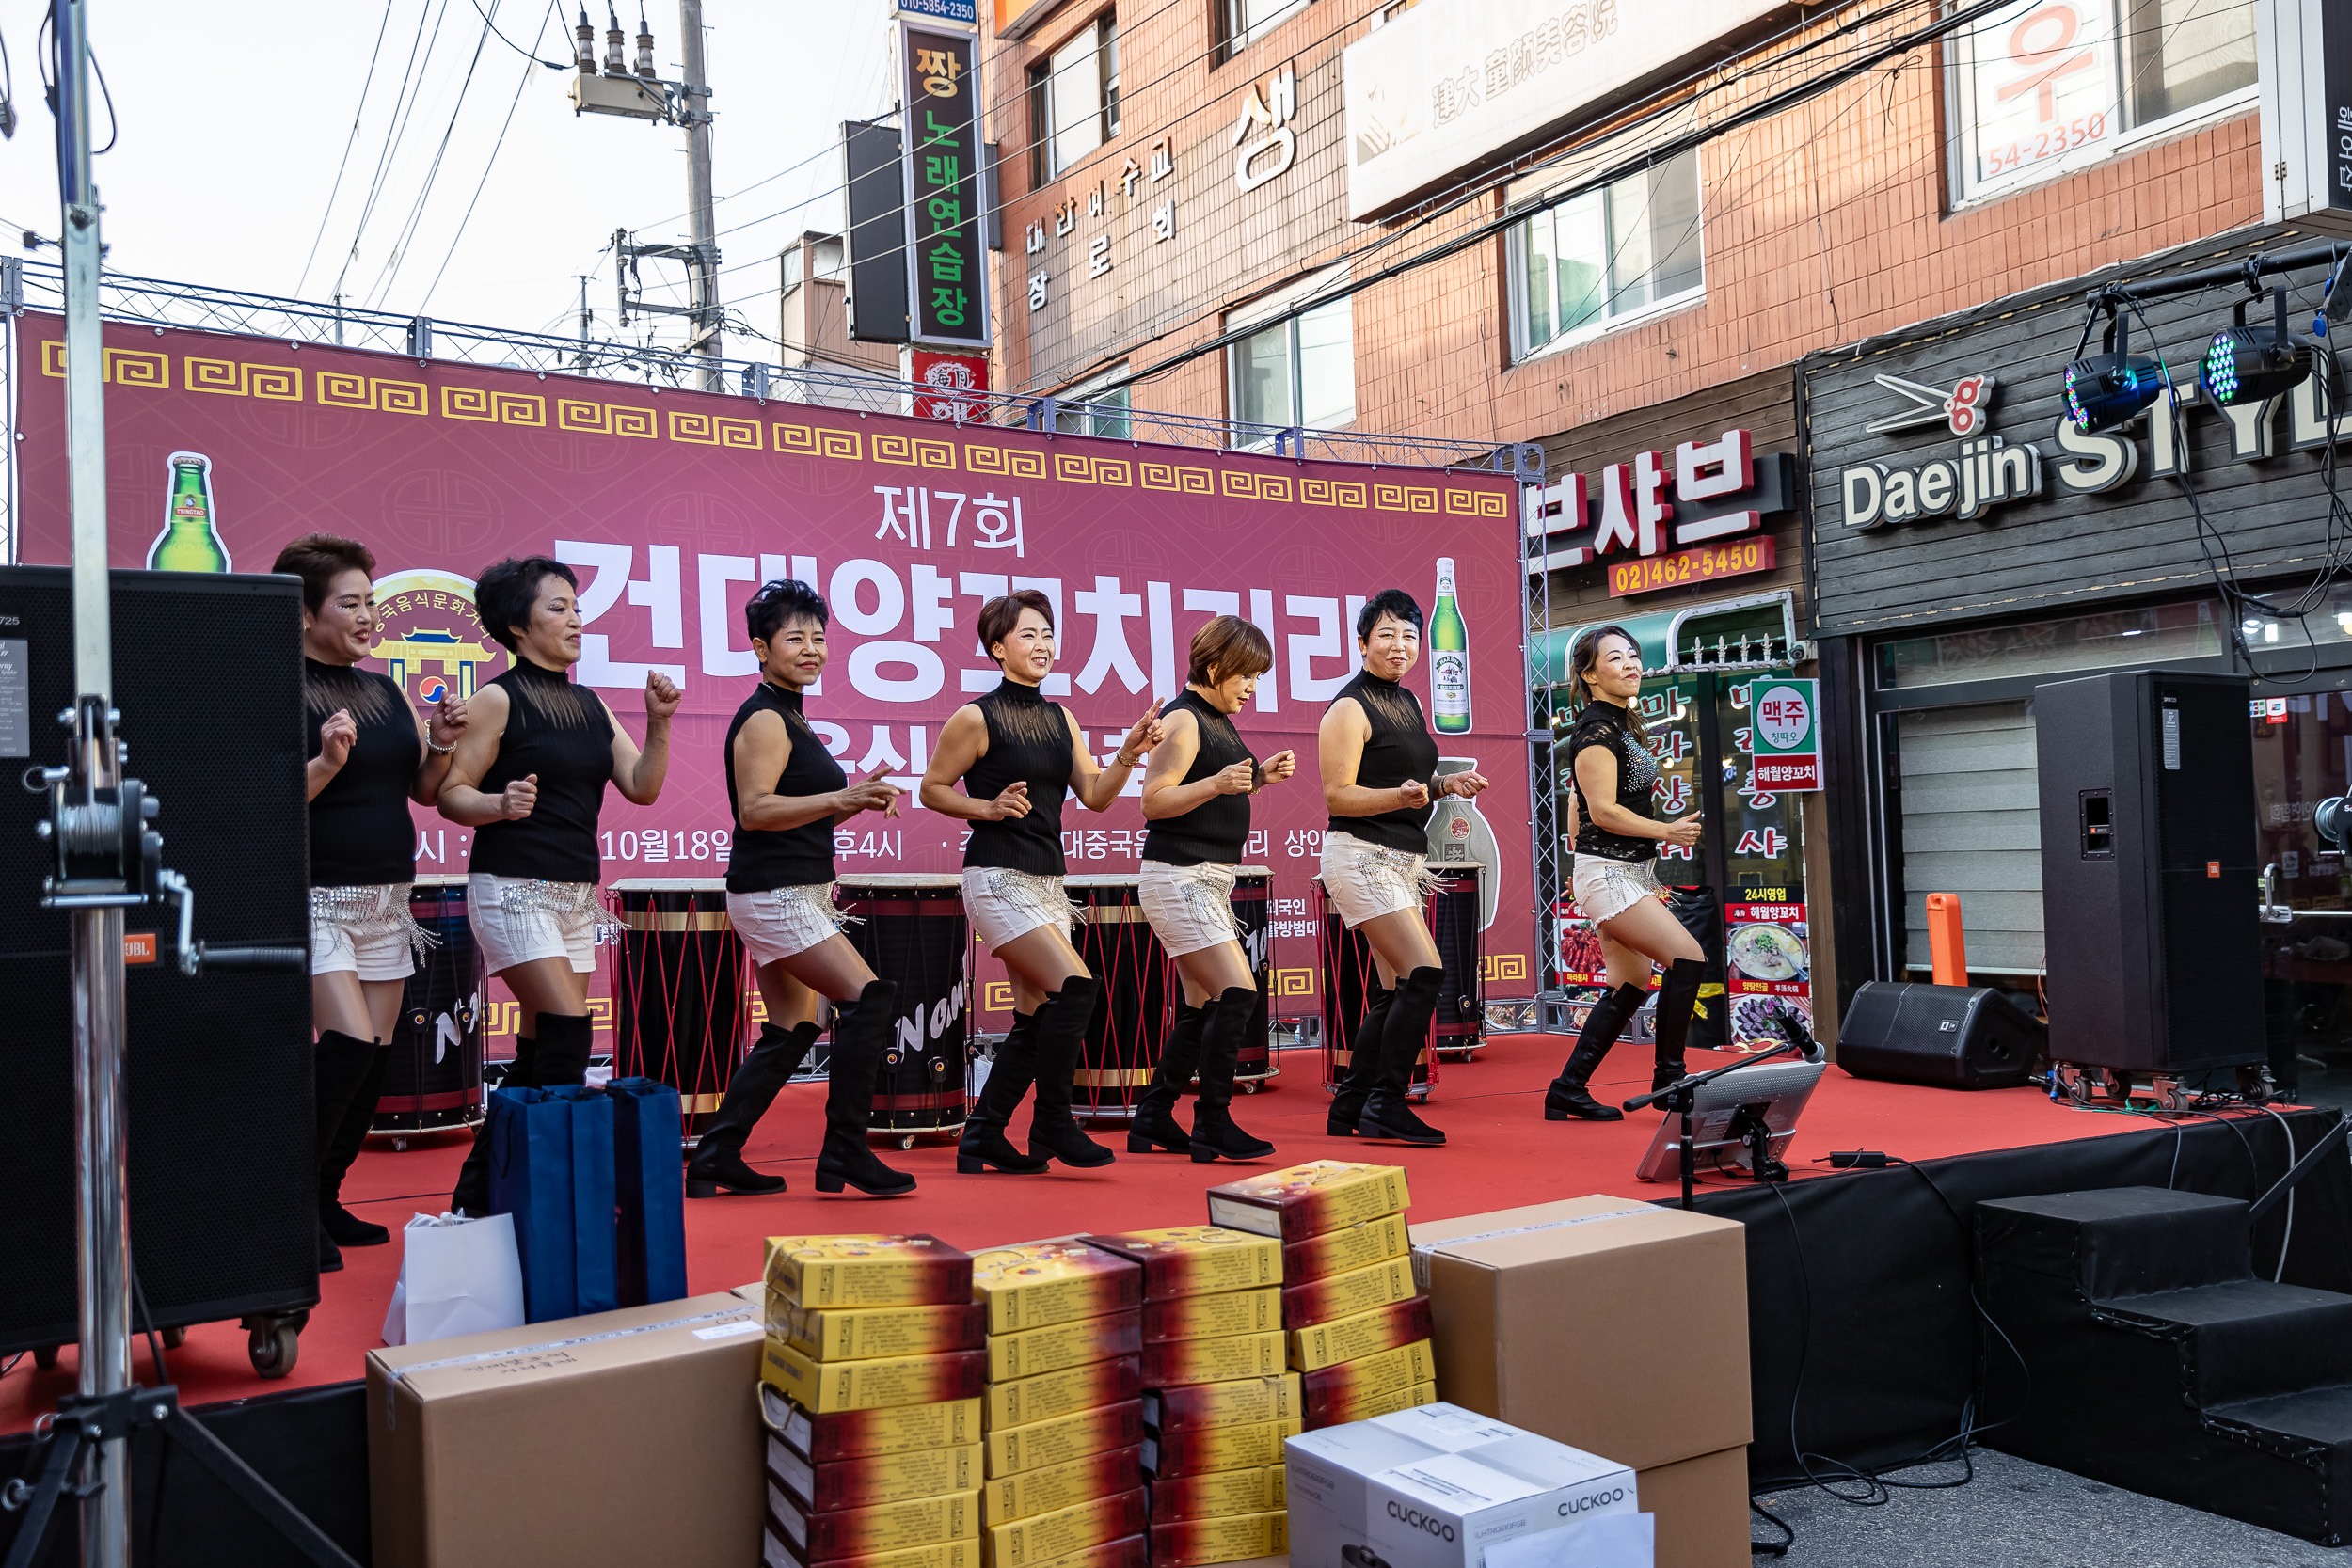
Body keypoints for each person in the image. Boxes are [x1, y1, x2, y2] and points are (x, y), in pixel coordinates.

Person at [442, 556, 680, 1215]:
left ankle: (487, 1193)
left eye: (575, 605)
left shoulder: (591, 703)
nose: (575, 617)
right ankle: (529, 1191)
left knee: (543, 1047)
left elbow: (642, 785)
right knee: (570, 1032)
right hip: (512, 886)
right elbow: (450, 791)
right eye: (557, 607)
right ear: (517, 627)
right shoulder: (498, 698)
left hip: (575, 894)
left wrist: (659, 721)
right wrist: (499, 804)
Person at [685, 579, 915, 1199]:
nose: (811, 648)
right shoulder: (763, 717)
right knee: (869, 998)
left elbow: (799, 812)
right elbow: (756, 810)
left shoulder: (792, 714)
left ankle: (715, 1154)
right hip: (775, 892)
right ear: (761, 648)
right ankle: (845, 1149)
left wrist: (855, 799)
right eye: (795, 638)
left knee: (793, 1026)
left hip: (791, 887)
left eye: (819, 637)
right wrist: (842, 795)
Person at [920, 589, 1164, 1175]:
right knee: (1076, 988)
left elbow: (1097, 797)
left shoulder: (1061, 718)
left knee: (1035, 1016)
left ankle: (982, 1134)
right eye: (1028, 635)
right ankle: (1054, 1123)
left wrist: (1129, 753)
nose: (1043, 645)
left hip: (1048, 881)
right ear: (998, 648)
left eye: (1047, 634)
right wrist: (985, 808)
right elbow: (932, 788)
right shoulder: (976, 716)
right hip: (997, 878)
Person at [283, 533, 467, 1273]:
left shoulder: (381, 687)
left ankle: (324, 1199)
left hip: (389, 900)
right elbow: (265, 803)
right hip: (316, 896)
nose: (367, 615)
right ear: (301, 612)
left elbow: (421, 789)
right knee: (350, 1046)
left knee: (376, 1059)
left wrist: (443, 744)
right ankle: (288, 1206)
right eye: (349, 602)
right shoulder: (276, 683)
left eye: (370, 600)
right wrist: (327, 762)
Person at [1318, 589, 1489, 1146]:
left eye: (1410, 635)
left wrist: (1444, 786)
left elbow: (1409, 787)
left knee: (1395, 990)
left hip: (1401, 860)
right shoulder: (1348, 707)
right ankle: (1386, 1104)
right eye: (1387, 635)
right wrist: (1403, 795)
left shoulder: (1409, 702)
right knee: (1425, 974)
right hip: (1362, 857)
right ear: (1362, 642)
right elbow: (1340, 797)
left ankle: (1348, 1107)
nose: (1400, 646)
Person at [1129, 616, 1295, 1164]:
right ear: (1218, 667)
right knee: (1238, 991)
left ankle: (1153, 1116)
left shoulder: (1216, 719)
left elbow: (1214, 790)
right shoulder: (1183, 719)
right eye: (1247, 675)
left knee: (1200, 1004)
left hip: (1202, 879)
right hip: (1181, 877)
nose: (1252, 687)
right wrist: (1221, 781)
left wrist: (1258, 777)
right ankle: (1212, 1123)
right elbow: (1155, 801)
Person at [1543, 625, 1706, 1121]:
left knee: (1631, 982)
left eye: (1634, 655)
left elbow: (1575, 799)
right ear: (1590, 675)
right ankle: (1670, 1080)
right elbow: (1604, 810)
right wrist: (1665, 831)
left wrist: (1576, 853)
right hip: (1611, 874)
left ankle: (1567, 1088)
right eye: (1616, 658)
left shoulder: (1619, 723)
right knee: (1688, 958)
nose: (1632, 664)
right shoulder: (1595, 731)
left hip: (1621, 872)